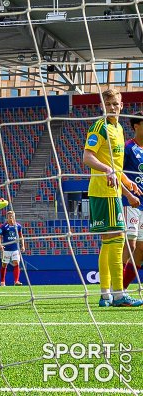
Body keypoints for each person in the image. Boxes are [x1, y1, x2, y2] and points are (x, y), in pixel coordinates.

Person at [82, 89, 143, 307]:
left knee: (108, 243)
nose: (112, 108)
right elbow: (87, 157)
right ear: (102, 106)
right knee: (118, 242)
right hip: (103, 191)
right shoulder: (100, 127)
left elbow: (117, 169)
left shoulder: (117, 129)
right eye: (108, 104)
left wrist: (127, 184)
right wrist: (107, 169)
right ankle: (119, 295)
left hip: (112, 192)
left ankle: (105, 294)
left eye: (115, 104)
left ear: (122, 105)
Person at [122, 112, 143, 292]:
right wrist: (129, 194)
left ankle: (120, 288)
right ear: (136, 126)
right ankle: (115, 290)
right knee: (130, 244)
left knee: (140, 250)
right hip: (132, 204)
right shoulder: (128, 147)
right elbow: (116, 172)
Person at [0, 210, 25, 286]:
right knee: (4, 264)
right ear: (7, 217)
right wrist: (0, 245)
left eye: (12, 216)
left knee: (16, 263)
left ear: (14, 217)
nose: (11, 217)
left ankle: (16, 281)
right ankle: (2, 281)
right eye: (9, 216)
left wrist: (23, 245)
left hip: (15, 248)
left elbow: (21, 236)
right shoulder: (3, 227)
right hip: (6, 249)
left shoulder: (18, 226)